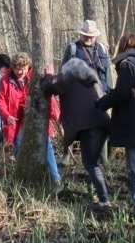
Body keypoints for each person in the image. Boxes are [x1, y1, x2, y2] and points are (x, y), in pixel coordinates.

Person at [96, 32, 135, 215]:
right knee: (134, 164)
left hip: (133, 120)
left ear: (123, 45)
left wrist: (102, 103)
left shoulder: (126, 65)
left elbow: (122, 93)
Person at [43, 57, 111, 208]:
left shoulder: (69, 77)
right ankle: (106, 194)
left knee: (90, 163)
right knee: (94, 162)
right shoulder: (92, 80)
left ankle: (104, 200)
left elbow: (47, 87)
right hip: (102, 123)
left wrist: (49, 76)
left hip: (89, 126)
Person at [0, 53, 60, 183]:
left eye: (24, 68)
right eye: (18, 68)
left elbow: (50, 92)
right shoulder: (5, 80)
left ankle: (55, 178)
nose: (21, 72)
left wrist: (51, 77)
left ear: (28, 67)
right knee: (18, 144)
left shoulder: (35, 76)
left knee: (46, 144)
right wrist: (6, 115)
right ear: (12, 68)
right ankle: (24, 176)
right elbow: (0, 101)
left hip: (35, 114)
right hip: (16, 118)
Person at [61, 19, 111, 93]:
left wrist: (110, 93)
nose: (88, 39)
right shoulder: (73, 49)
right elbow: (63, 74)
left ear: (95, 36)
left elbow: (108, 75)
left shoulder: (102, 48)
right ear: (80, 35)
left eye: (91, 37)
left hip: (103, 96)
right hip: (81, 97)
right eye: (86, 36)